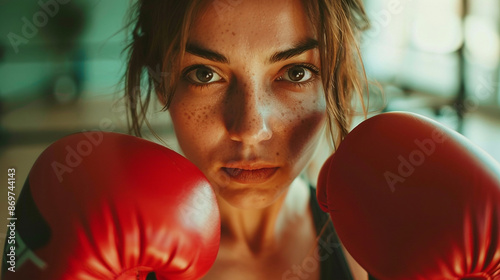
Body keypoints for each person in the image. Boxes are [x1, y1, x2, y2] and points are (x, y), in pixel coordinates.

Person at [124, 0, 371, 279]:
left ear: (338, 78)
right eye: (204, 75)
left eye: (295, 73)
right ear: (160, 83)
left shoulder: (368, 244)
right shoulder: (128, 259)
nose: (251, 130)